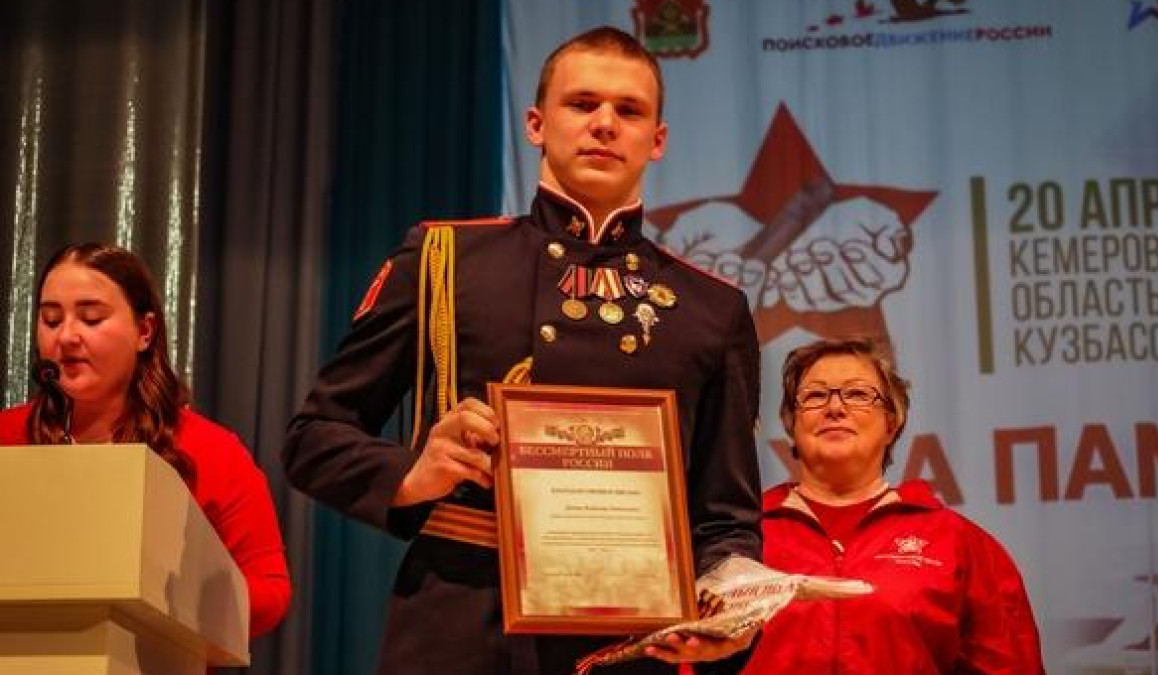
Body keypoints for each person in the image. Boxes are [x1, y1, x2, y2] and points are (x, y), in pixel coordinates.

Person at [283, 26, 761, 675]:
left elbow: (725, 519)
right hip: (458, 629)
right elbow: (313, 438)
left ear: (657, 139)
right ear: (536, 124)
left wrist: (732, 611)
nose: (604, 123)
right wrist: (416, 472)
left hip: (630, 642)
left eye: (628, 110)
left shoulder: (712, 307)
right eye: (582, 103)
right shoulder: (443, 259)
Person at [0, 242, 292, 640]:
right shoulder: (8, 436)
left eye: (90, 318)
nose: (66, 336)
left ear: (144, 331)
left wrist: (178, 596)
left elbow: (271, 591)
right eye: (51, 320)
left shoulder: (212, 451)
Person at [741, 336, 1045, 674]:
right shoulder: (740, 538)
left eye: (858, 394)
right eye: (815, 396)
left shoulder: (957, 543)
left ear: (892, 422)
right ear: (791, 424)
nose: (835, 408)